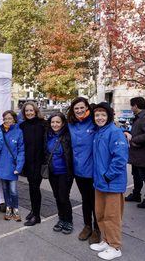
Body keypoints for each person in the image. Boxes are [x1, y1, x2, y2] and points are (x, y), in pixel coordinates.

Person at [90, 102, 128, 260]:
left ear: (109, 116)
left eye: (103, 115)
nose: (99, 117)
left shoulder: (115, 132)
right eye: (97, 115)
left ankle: (115, 246)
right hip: (100, 183)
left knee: (112, 216)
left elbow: (120, 159)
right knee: (100, 214)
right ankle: (106, 240)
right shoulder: (99, 132)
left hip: (112, 183)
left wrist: (108, 176)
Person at [67, 97, 100, 244]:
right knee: (85, 200)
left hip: (93, 170)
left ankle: (97, 229)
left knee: (95, 201)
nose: (79, 110)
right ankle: (87, 226)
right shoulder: (71, 125)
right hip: (78, 170)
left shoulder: (94, 122)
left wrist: (125, 132)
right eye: (76, 108)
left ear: (87, 108)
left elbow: (109, 129)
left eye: (82, 107)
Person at [124, 97, 145, 208]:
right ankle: (136, 194)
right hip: (137, 155)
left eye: (131, 106)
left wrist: (134, 140)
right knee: (136, 175)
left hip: (143, 155)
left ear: (136, 106)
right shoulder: (140, 117)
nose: (131, 108)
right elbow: (139, 131)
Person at [45, 112, 74, 234]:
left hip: (65, 172)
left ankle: (68, 221)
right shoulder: (48, 135)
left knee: (64, 197)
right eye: (52, 122)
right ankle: (61, 218)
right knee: (57, 196)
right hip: (53, 172)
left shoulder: (68, 135)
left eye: (58, 122)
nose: (55, 124)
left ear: (63, 123)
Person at [19, 102, 47, 226]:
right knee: (31, 188)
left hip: (39, 162)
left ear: (35, 111)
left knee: (35, 189)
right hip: (28, 163)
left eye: (31, 110)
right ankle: (33, 210)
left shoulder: (43, 124)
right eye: (26, 111)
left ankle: (37, 216)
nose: (29, 113)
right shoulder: (23, 126)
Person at [0, 110, 24, 222]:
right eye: (5, 118)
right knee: (5, 189)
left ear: (14, 119)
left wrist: (19, 166)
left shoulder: (18, 132)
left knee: (13, 190)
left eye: (10, 118)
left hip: (13, 167)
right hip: (1, 165)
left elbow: (21, 150)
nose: (7, 121)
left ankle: (15, 208)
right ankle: (8, 207)